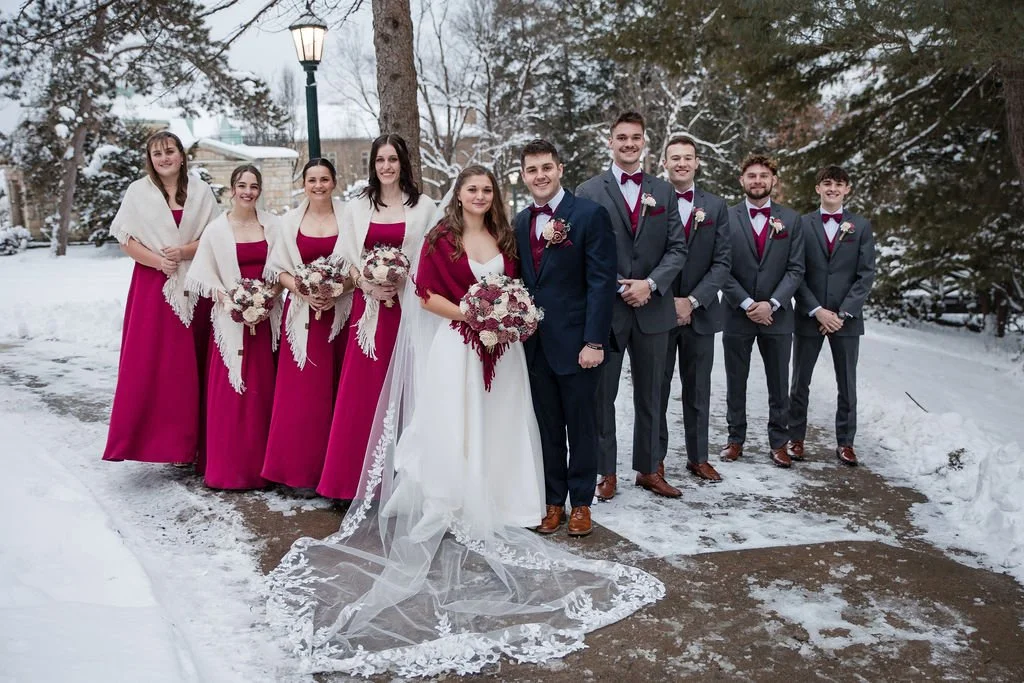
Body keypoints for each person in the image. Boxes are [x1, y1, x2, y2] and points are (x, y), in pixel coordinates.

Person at [266, 166, 663, 678]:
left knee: (504, 421)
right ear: (459, 194)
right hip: (459, 345)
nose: (479, 195)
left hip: (505, 350)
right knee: (458, 422)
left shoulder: (506, 235)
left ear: (494, 196)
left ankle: (506, 496)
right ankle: (456, 497)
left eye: (487, 189)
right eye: (471, 188)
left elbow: (520, 287)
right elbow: (425, 295)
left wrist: (506, 318)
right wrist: (474, 317)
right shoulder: (442, 238)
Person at [316, 135, 437, 500]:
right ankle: (350, 483)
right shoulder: (358, 207)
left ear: (404, 163)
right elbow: (346, 261)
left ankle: (406, 485)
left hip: (409, 311)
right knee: (362, 393)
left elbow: (431, 257)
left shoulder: (425, 207)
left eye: (393, 159)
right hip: (368, 314)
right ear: (373, 165)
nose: (386, 166)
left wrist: (402, 284)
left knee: (409, 392)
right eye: (380, 160)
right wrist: (367, 285)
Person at [577, 111, 687, 500]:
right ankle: (605, 471)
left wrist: (651, 284)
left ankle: (650, 468)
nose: (628, 143)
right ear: (610, 142)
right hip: (606, 311)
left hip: (653, 309)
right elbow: (583, 252)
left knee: (653, 393)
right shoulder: (588, 191)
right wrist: (612, 287)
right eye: (621, 137)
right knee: (601, 395)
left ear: (644, 142)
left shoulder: (664, 190)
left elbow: (678, 248)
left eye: (635, 138)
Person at [513, 139, 616, 537]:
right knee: (548, 427)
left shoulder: (589, 215)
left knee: (581, 425)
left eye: (546, 168)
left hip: (577, 344)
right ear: (523, 176)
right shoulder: (522, 221)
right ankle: (553, 501)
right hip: (535, 345)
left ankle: (582, 503)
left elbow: (601, 283)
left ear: (559, 169)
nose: (540, 176)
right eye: (532, 170)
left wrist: (594, 341)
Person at [102, 131, 217, 464]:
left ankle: (195, 445)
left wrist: (182, 252)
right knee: (159, 365)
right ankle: (158, 444)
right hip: (154, 288)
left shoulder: (200, 191)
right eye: (157, 154)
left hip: (195, 285)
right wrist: (159, 260)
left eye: (170, 151)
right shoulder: (138, 192)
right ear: (150, 159)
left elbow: (213, 236)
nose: (164, 158)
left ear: (181, 155)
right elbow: (126, 239)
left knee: (193, 363)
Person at [187, 165, 281, 490]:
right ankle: (228, 470)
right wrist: (230, 301)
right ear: (231, 189)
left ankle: (263, 471)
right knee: (232, 397)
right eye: (242, 185)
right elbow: (202, 273)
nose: (248, 191)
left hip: (266, 321)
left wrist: (267, 298)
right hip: (230, 322)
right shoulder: (216, 230)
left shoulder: (273, 225)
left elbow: (283, 267)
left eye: (254, 186)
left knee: (262, 396)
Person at [261, 158, 352, 490]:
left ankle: (336, 473)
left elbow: (356, 264)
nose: (318, 185)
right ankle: (296, 472)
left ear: (334, 182)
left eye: (324, 179)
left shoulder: (349, 217)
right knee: (302, 394)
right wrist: (303, 288)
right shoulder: (289, 222)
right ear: (304, 183)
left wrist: (337, 290)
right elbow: (278, 268)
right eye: (312, 179)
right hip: (302, 315)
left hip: (340, 313)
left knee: (338, 389)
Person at [720, 154, 805, 468]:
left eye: (763, 176)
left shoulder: (792, 220)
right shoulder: (725, 217)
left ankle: (779, 442)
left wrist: (772, 303)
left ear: (774, 181)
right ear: (742, 181)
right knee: (735, 380)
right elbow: (721, 267)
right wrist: (746, 303)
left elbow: (796, 269)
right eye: (751, 176)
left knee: (778, 382)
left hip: (777, 316)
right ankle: (735, 439)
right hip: (735, 313)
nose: (757, 181)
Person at [788, 165, 876, 466]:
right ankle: (795, 438)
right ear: (818, 189)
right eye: (827, 184)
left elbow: (865, 276)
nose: (833, 189)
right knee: (800, 382)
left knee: (847, 383)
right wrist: (817, 310)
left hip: (846, 320)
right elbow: (796, 271)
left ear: (847, 189)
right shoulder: (801, 224)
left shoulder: (861, 226)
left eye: (839, 184)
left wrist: (843, 313)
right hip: (809, 315)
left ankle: (846, 442)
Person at [657, 135, 731, 483]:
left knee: (698, 389)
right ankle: (653, 458)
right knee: (655, 388)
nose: (682, 163)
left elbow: (722, 263)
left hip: (700, 314)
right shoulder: (651, 200)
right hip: (658, 311)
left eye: (688, 157)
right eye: (675, 158)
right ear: (665, 163)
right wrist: (669, 299)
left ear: (697, 162)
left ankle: (698, 457)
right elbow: (646, 256)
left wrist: (692, 300)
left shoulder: (716, 207)